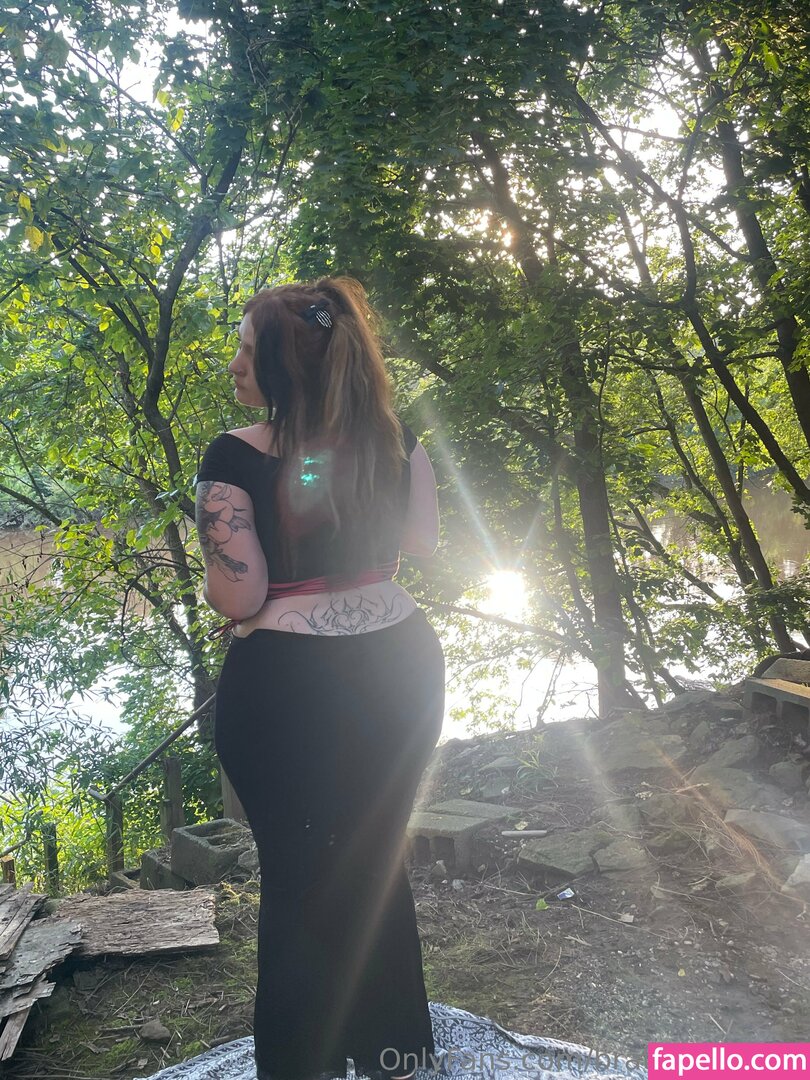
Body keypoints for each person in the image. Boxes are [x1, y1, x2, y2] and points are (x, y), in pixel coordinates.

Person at [194, 276, 445, 1080]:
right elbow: (423, 544)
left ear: (283, 366)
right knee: (376, 864)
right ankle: (396, 1055)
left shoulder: (232, 456)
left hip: (285, 689)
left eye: (246, 350)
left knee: (297, 878)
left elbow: (241, 595)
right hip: (402, 670)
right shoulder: (400, 441)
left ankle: (303, 1065)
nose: (234, 365)